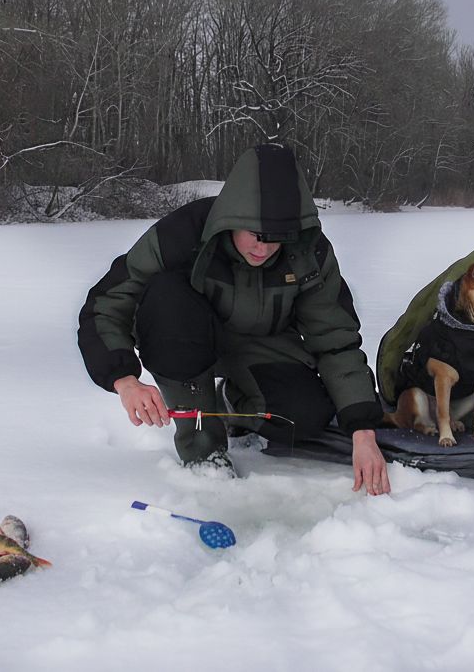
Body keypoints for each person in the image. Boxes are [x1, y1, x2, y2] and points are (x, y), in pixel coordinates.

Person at [77, 144, 390, 495]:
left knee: (302, 418)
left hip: (259, 343)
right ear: (233, 218)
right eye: (255, 236)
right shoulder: (182, 233)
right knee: (168, 297)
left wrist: (362, 430)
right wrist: (125, 380)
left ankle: (231, 403)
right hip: (183, 334)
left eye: (276, 240)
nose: (264, 249)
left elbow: (335, 336)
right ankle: (202, 449)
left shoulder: (308, 251)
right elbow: (107, 304)